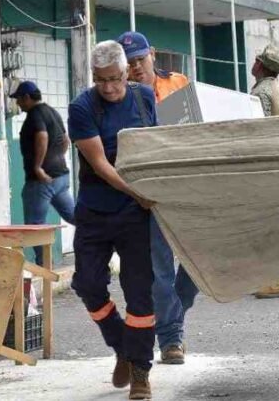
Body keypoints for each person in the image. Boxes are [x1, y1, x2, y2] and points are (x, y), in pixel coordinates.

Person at [68, 40, 157, 400]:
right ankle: (121, 345)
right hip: (95, 208)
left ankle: (140, 372)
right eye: (101, 80)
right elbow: (101, 164)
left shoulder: (143, 97)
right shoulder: (81, 108)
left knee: (140, 292)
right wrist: (135, 191)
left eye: (115, 78)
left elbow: (155, 147)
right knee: (87, 284)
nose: (109, 87)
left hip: (135, 214)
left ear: (127, 73)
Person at [117, 31, 198, 365]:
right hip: (150, 195)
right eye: (130, 63)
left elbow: (198, 125)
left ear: (152, 53)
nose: (137, 67)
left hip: (189, 188)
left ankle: (173, 316)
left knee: (197, 263)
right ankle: (170, 339)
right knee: (161, 271)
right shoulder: (122, 97)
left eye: (140, 59)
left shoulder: (179, 83)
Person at [11, 80, 75, 266]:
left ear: (27, 98)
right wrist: (57, 158)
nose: (18, 104)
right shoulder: (52, 112)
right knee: (74, 216)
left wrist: (39, 166)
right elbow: (65, 139)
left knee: (35, 226)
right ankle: (103, 236)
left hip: (41, 181)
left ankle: (43, 266)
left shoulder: (35, 115)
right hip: (60, 176)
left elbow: (42, 136)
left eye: (19, 100)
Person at [250, 43, 279, 299]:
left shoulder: (263, 93)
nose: (253, 63)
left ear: (262, 65)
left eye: (257, 59)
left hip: (268, 166)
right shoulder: (278, 90)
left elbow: (261, 131)